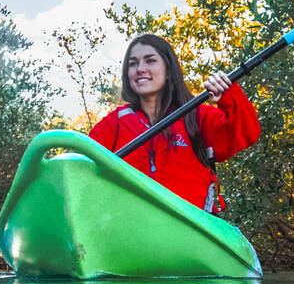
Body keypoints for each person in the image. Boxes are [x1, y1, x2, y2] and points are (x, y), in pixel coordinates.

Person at [89, 33, 260, 214]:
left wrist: (229, 94)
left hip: (188, 228)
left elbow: (247, 133)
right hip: (132, 225)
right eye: (133, 63)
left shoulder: (197, 116)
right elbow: (84, 162)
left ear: (168, 70)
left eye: (150, 61)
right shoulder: (115, 122)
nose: (140, 68)